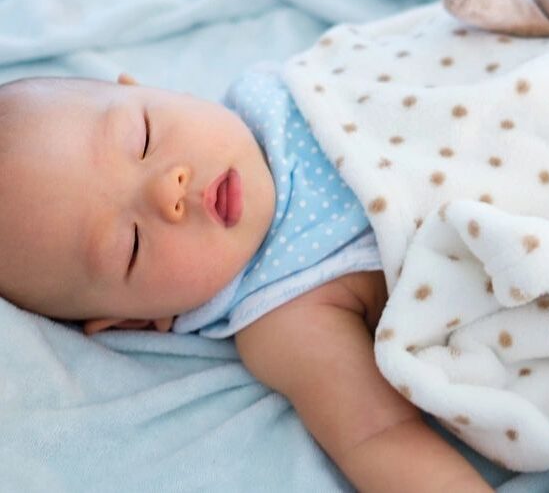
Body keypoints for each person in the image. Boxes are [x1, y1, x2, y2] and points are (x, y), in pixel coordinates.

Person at [0, 72, 491, 493]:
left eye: (143, 137)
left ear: (151, 89)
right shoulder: (284, 313)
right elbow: (381, 435)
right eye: (130, 245)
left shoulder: (285, 90)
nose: (166, 188)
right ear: (139, 319)